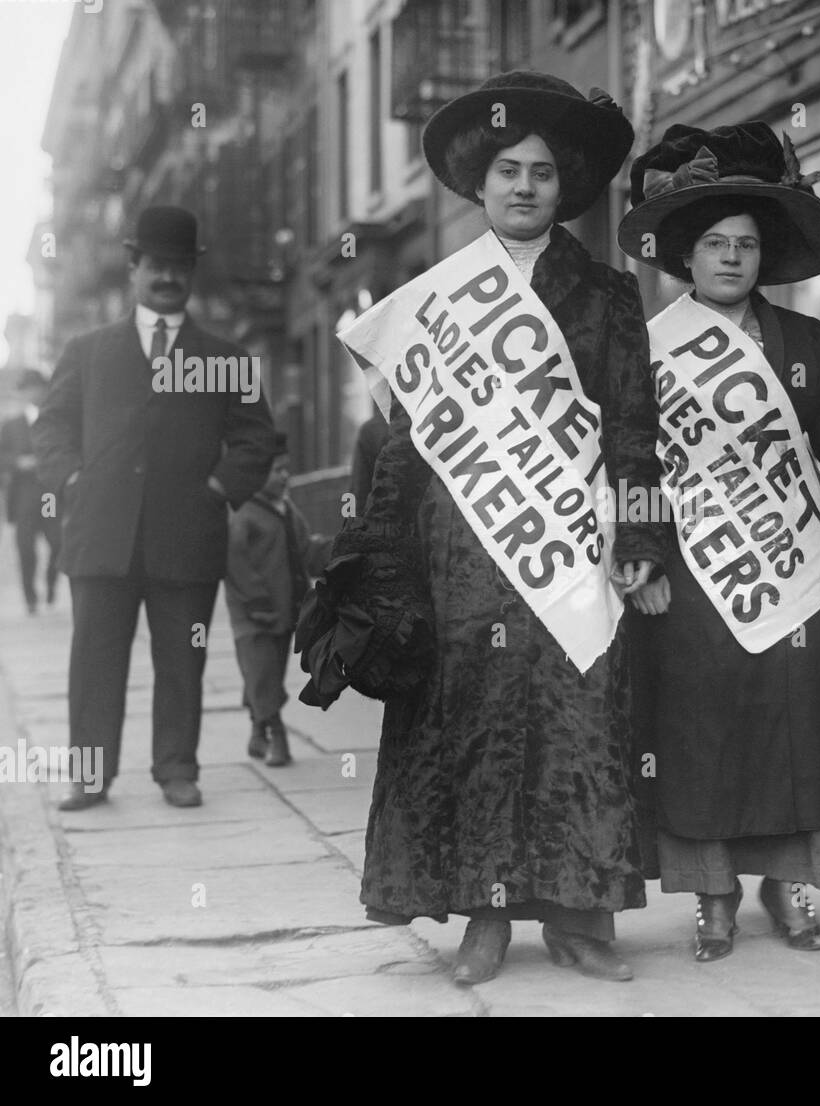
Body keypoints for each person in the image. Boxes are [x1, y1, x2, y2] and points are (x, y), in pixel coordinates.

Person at [313, 71, 666, 984]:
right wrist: (379, 566)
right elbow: (404, 451)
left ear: (564, 189)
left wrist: (638, 540)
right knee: (473, 730)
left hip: (574, 549)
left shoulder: (610, 296)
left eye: (541, 174)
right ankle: (486, 920)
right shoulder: (433, 302)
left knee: (580, 730)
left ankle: (582, 918)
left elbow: (635, 431)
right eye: (508, 170)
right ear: (480, 184)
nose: (523, 186)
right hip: (465, 550)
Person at [618, 121, 820, 960]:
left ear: (762, 255)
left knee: (800, 725)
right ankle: (712, 895)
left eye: (744, 244)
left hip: (800, 560)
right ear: (686, 256)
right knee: (705, 732)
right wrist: (645, 558)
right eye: (713, 243)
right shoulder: (648, 348)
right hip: (697, 573)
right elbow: (627, 456)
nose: (731, 258)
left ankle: (792, 884)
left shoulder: (806, 343)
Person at [34, 205, 276, 811]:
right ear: (134, 267)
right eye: (156, 266)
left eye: (178, 267)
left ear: (190, 273)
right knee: (94, 663)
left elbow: (256, 439)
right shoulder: (88, 351)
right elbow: (53, 426)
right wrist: (71, 480)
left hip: (185, 538)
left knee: (182, 661)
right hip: (100, 537)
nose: (167, 278)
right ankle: (90, 776)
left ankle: (176, 769)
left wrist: (218, 491)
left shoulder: (225, 357)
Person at [224, 433, 332, 767]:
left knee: (269, 674)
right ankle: (277, 735)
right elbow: (235, 562)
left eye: (287, 469)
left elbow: (305, 550)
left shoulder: (287, 511)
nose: (284, 476)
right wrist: (256, 600)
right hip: (252, 615)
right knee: (260, 673)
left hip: (285, 612)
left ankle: (258, 729)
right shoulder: (242, 512)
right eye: (276, 470)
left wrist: (333, 552)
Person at [0, 369, 61, 614]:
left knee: (57, 542)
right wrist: (17, 462)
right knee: (25, 546)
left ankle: (50, 583)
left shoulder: (55, 419)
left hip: (49, 494)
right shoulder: (12, 425)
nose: (30, 393)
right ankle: (30, 597)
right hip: (24, 493)